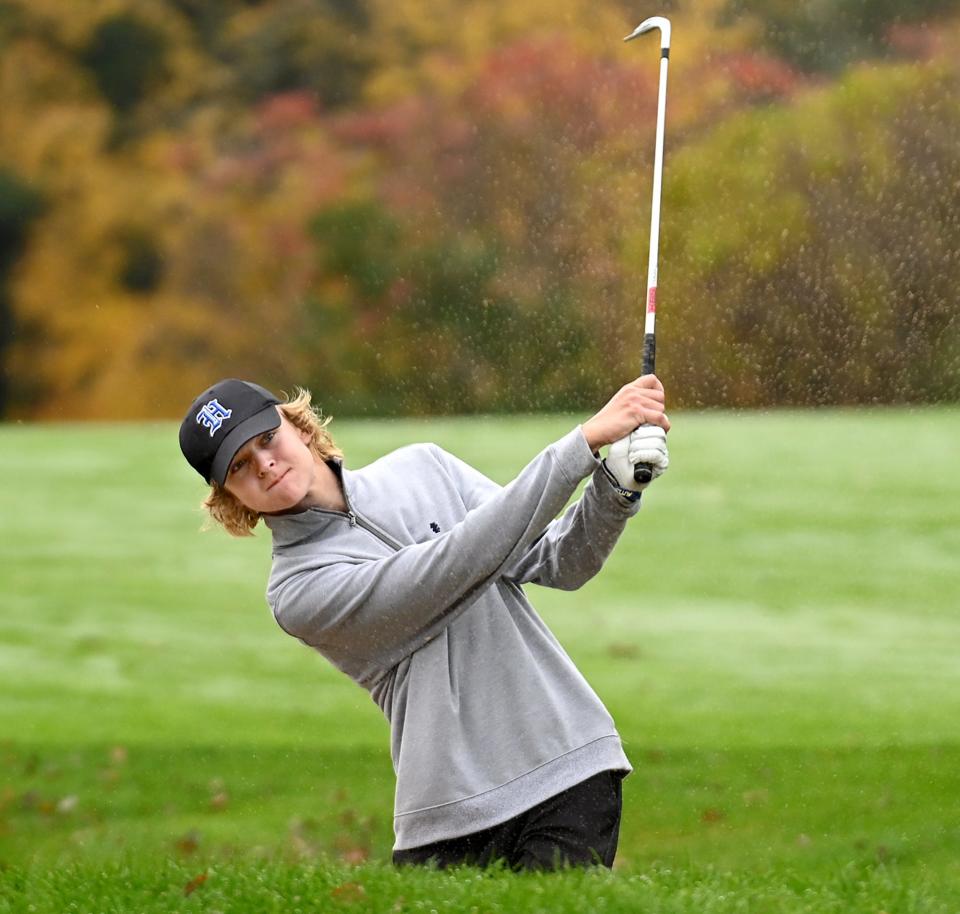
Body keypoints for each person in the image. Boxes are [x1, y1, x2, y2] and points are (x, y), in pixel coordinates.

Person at [178, 376, 670, 871]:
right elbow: (449, 569)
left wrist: (617, 487)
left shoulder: (424, 467)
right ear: (230, 498)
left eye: (267, 439)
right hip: (449, 817)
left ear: (297, 425)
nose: (265, 464)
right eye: (240, 466)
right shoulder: (297, 592)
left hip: (568, 768)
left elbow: (561, 562)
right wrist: (581, 446)